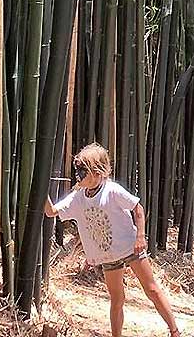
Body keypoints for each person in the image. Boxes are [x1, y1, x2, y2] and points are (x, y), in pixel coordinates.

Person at [44, 143, 181, 337]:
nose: (78, 174)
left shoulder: (112, 190)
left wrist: (140, 237)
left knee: (151, 290)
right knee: (117, 299)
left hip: (130, 247)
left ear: (97, 172)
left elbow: (138, 208)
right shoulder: (77, 197)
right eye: (78, 170)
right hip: (108, 255)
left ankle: (174, 331)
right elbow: (51, 212)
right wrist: (40, 187)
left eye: (83, 170)